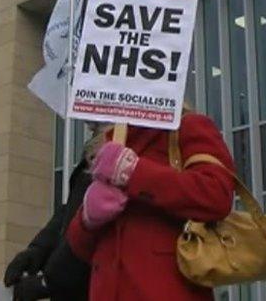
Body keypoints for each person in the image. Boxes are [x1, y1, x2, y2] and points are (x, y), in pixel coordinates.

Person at [64, 111, 235, 301]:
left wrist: (134, 172)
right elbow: (80, 249)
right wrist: (87, 219)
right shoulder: (107, 145)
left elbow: (217, 194)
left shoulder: (186, 126)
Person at [3, 126, 104, 301]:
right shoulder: (97, 149)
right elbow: (71, 210)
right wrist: (38, 249)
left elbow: (90, 228)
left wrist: (48, 282)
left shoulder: (120, 153)